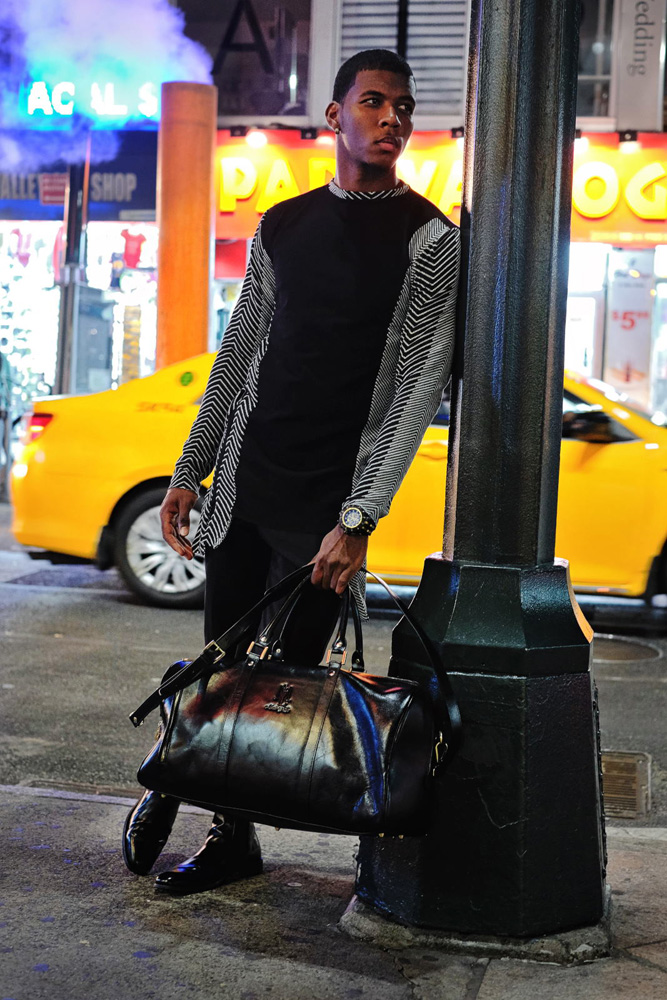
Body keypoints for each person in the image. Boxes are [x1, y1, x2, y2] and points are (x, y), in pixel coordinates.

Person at [122, 48, 460, 895]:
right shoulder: (282, 224)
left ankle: (224, 828)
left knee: (279, 689)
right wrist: (190, 468)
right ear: (335, 118)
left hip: (324, 509)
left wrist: (358, 521)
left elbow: (416, 389)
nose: (392, 119)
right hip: (249, 482)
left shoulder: (429, 241)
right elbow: (238, 353)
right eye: (375, 103)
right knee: (219, 665)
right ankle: (181, 779)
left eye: (404, 108)